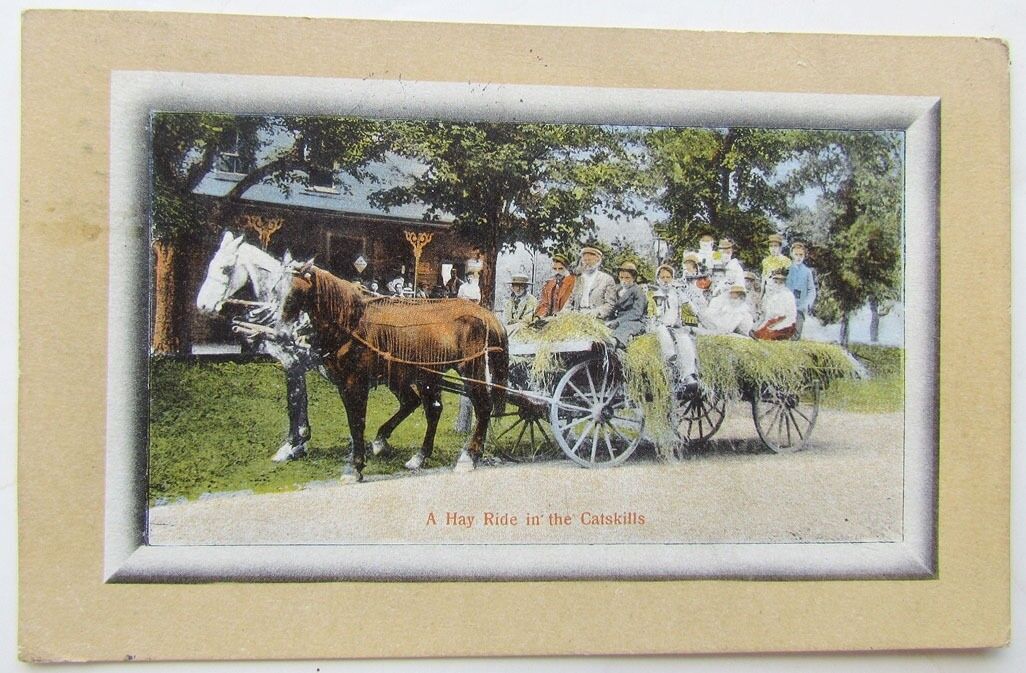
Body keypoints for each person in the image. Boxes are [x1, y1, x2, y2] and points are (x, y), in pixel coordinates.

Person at [650, 265, 700, 396]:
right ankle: (670, 358)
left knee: (685, 340)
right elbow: (650, 313)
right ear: (658, 279)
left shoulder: (676, 293)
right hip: (657, 325)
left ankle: (688, 375)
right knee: (662, 331)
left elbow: (692, 310)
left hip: (674, 326)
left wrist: (685, 299)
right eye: (662, 278)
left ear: (672, 279)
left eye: (668, 277)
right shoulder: (653, 293)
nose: (665, 280)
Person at [560, 246, 617, 319]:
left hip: (596, 319)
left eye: (589, 260)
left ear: (598, 261)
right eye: (584, 260)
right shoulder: (579, 279)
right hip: (577, 317)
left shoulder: (607, 279)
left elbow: (610, 304)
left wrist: (596, 313)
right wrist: (563, 312)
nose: (586, 263)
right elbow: (570, 299)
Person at [606, 262, 648, 347]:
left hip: (635, 321)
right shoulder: (618, 290)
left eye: (627, 278)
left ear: (634, 278)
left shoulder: (638, 292)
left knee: (625, 328)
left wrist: (618, 321)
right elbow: (613, 306)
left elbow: (637, 313)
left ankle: (615, 343)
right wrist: (609, 318)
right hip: (618, 319)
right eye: (621, 277)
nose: (624, 281)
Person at [752, 268, 798, 340]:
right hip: (772, 322)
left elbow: (791, 317)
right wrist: (759, 328)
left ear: (784, 283)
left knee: (769, 335)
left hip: (786, 324)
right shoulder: (772, 296)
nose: (778, 284)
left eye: (781, 282)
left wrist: (777, 327)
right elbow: (768, 317)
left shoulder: (788, 295)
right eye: (776, 282)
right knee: (758, 333)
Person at [785, 242, 817, 338]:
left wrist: (806, 304)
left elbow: (812, 290)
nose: (798, 257)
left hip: (800, 307)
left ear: (804, 256)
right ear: (791, 254)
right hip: (787, 306)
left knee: (796, 334)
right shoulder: (787, 269)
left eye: (801, 255)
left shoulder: (807, 272)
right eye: (796, 255)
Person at [534, 254, 576, 318]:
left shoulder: (573, 282)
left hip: (565, 319)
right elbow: (544, 304)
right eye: (555, 269)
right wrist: (540, 316)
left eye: (560, 269)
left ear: (567, 269)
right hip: (549, 319)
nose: (557, 271)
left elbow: (570, 305)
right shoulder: (548, 284)